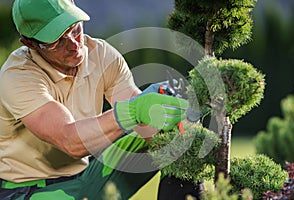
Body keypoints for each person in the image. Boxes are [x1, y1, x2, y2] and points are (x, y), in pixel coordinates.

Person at [0, 0, 189, 199]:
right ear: (30, 44)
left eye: (74, 29)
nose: (73, 44)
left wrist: (163, 116)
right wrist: (133, 109)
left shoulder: (101, 55)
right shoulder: (17, 76)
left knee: (176, 132)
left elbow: (143, 123)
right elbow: (70, 141)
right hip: (26, 191)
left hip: (84, 176)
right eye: (57, 41)